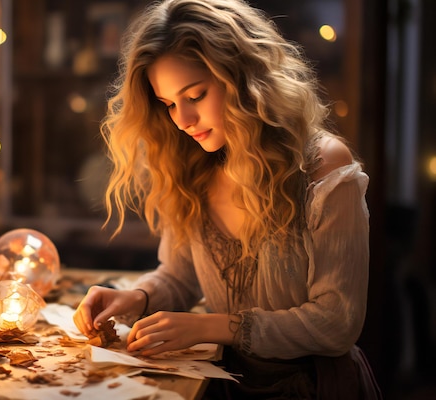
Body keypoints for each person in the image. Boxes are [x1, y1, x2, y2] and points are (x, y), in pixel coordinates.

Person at [72, 0, 382, 398]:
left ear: (245, 81)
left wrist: (211, 326)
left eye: (195, 95)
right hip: (224, 384)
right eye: (168, 104)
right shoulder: (192, 168)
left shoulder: (320, 168)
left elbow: (337, 324)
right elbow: (180, 274)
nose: (182, 120)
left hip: (315, 387)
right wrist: (135, 297)